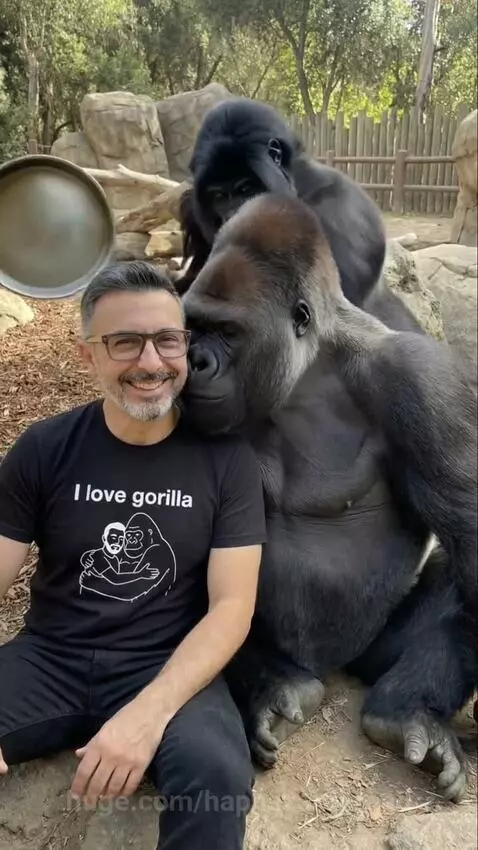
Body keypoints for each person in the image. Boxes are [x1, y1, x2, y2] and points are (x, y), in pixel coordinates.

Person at [0, 261, 267, 849]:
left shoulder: (226, 461)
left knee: (217, 779)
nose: (150, 363)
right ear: (86, 355)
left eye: (167, 340)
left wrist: (149, 713)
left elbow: (231, 608)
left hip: (166, 663)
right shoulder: (44, 449)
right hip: (50, 658)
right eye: (125, 342)